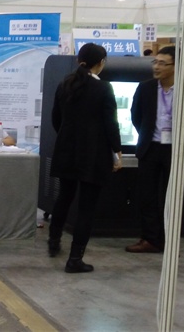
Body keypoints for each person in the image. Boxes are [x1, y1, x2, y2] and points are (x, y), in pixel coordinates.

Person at [49, 43, 122, 273]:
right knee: (86, 208)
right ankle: (75, 259)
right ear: (101, 63)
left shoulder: (65, 84)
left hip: (67, 151)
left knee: (64, 197)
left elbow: (56, 119)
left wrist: (68, 137)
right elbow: (111, 123)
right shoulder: (104, 88)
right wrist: (117, 151)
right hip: (94, 155)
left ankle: (53, 241)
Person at [126, 46, 176, 254]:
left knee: (172, 196)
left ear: (176, 67)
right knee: (147, 195)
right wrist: (146, 135)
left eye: (162, 63)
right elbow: (136, 115)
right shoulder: (145, 88)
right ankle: (151, 239)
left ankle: (171, 239)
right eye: (155, 62)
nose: (156, 67)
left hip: (175, 150)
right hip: (150, 148)